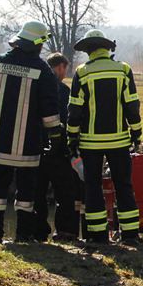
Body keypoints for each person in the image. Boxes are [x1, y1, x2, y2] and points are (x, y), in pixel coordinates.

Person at [0, 20, 64, 244]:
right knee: (26, 194)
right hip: (28, 145)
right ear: (37, 44)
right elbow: (50, 110)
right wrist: (56, 139)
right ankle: (23, 236)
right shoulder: (42, 70)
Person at [67, 29, 143, 244]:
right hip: (120, 141)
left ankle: (98, 236)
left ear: (88, 51)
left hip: (90, 143)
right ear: (107, 48)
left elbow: (75, 111)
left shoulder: (82, 73)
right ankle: (130, 235)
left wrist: (72, 139)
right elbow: (132, 106)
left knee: (93, 187)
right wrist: (136, 133)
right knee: (124, 186)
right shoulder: (123, 70)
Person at [31, 51, 82, 242]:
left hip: (36, 146)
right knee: (65, 191)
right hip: (58, 148)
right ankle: (65, 231)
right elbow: (67, 118)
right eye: (65, 69)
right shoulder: (62, 90)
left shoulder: (37, 85)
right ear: (60, 67)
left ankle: (38, 231)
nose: (65, 73)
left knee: (38, 192)